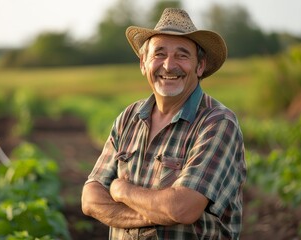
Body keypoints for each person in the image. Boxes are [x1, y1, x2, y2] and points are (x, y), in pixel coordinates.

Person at [81, 8, 247, 240]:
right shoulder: (128, 118)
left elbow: (183, 208)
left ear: (200, 66)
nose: (169, 66)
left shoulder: (217, 123)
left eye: (182, 55)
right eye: (159, 54)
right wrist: (159, 213)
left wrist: (122, 190)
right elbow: (90, 199)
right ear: (143, 63)